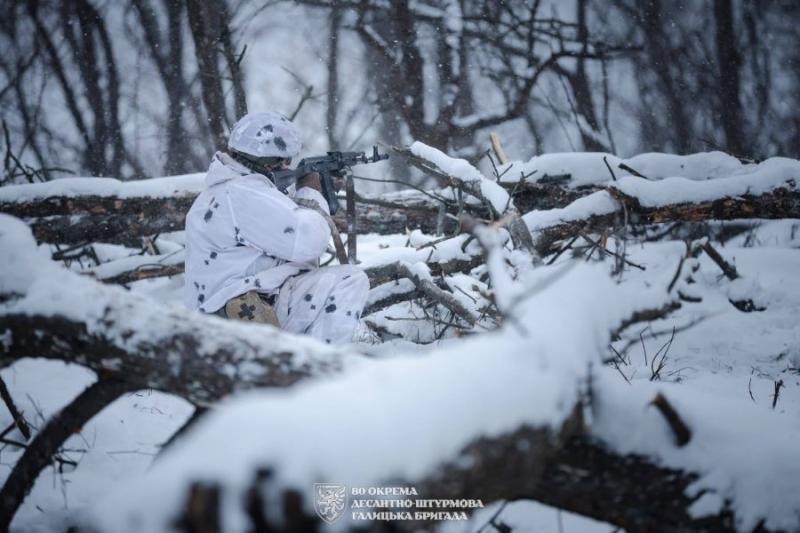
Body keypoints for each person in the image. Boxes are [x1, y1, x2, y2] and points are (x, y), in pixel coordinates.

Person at [184, 111, 369, 344]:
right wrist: (311, 191)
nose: (287, 166)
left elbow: (276, 232)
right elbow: (310, 243)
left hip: (219, 318)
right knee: (350, 280)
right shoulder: (244, 194)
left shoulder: (224, 192)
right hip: (240, 316)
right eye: (283, 160)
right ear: (267, 161)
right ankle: (322, 369)